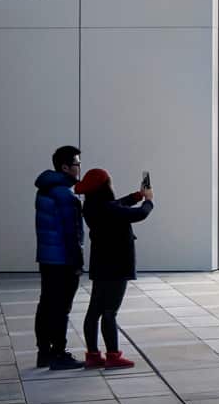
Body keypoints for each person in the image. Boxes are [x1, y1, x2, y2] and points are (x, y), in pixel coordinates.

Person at [77, 168, 153, 369]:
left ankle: (93, 355)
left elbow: (117, 205)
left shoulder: (92, 206)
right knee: (110, 311)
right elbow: (139, 215)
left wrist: (136, 196)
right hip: (117, 264)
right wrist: (148, 201)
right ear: (104, 187)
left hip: (101, 263)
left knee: (95, 310)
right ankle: (112, 355)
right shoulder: (107, 208)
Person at [33, 145, 85, 370]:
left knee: (46, 304)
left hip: (47, 257)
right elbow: (71, 232)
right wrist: (77, 263)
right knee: (61, 308)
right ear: (65, 167)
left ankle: (44, 353)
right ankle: (59, 354)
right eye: (77, 164)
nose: (79, 167)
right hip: (63, 260)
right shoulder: (64, 195)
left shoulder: (45, 189)